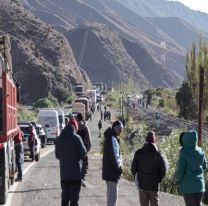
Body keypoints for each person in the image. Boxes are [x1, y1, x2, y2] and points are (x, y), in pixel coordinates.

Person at [131, 131, 168, 206]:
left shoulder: (139, 153)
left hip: (142, 185)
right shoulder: (159, 154)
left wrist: (138, 178)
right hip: (154, 185)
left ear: (145, 139)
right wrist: (158, 179)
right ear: (155, 140)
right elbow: (164, 169)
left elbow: (133, 168)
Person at [56, 118, 86, 206]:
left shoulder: (59, 139)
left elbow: (58, 156)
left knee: (65, 199)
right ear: (75, 127)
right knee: (74, 201)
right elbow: (83, 153)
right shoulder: (77, 138)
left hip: (64, 175)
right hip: (76, 175)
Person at [176, 130, 207, 206]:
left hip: (188, 186)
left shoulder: (184, 153)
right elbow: (205, 166)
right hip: (200, 185)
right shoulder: (201, 151)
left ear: (185, 140)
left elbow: (181, 170)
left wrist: (178, 181)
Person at [102, 120, 123, 206]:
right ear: (115, 128)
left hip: (109, 172)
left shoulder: (110, 137)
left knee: (111, 196)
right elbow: (115, 157)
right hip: (112, 173)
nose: (121, 131)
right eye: (120, 129)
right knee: (112, 198)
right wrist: (119, 169)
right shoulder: (112, 139)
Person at [76, 113, 92, 187]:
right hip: (83, 149)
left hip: (75, 150)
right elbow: (89, 141)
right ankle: (82, 178)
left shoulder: (75, 127)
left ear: (77, 118)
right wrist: (87, 150)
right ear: (82, 118)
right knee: (85, 164)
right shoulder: (85, 127)